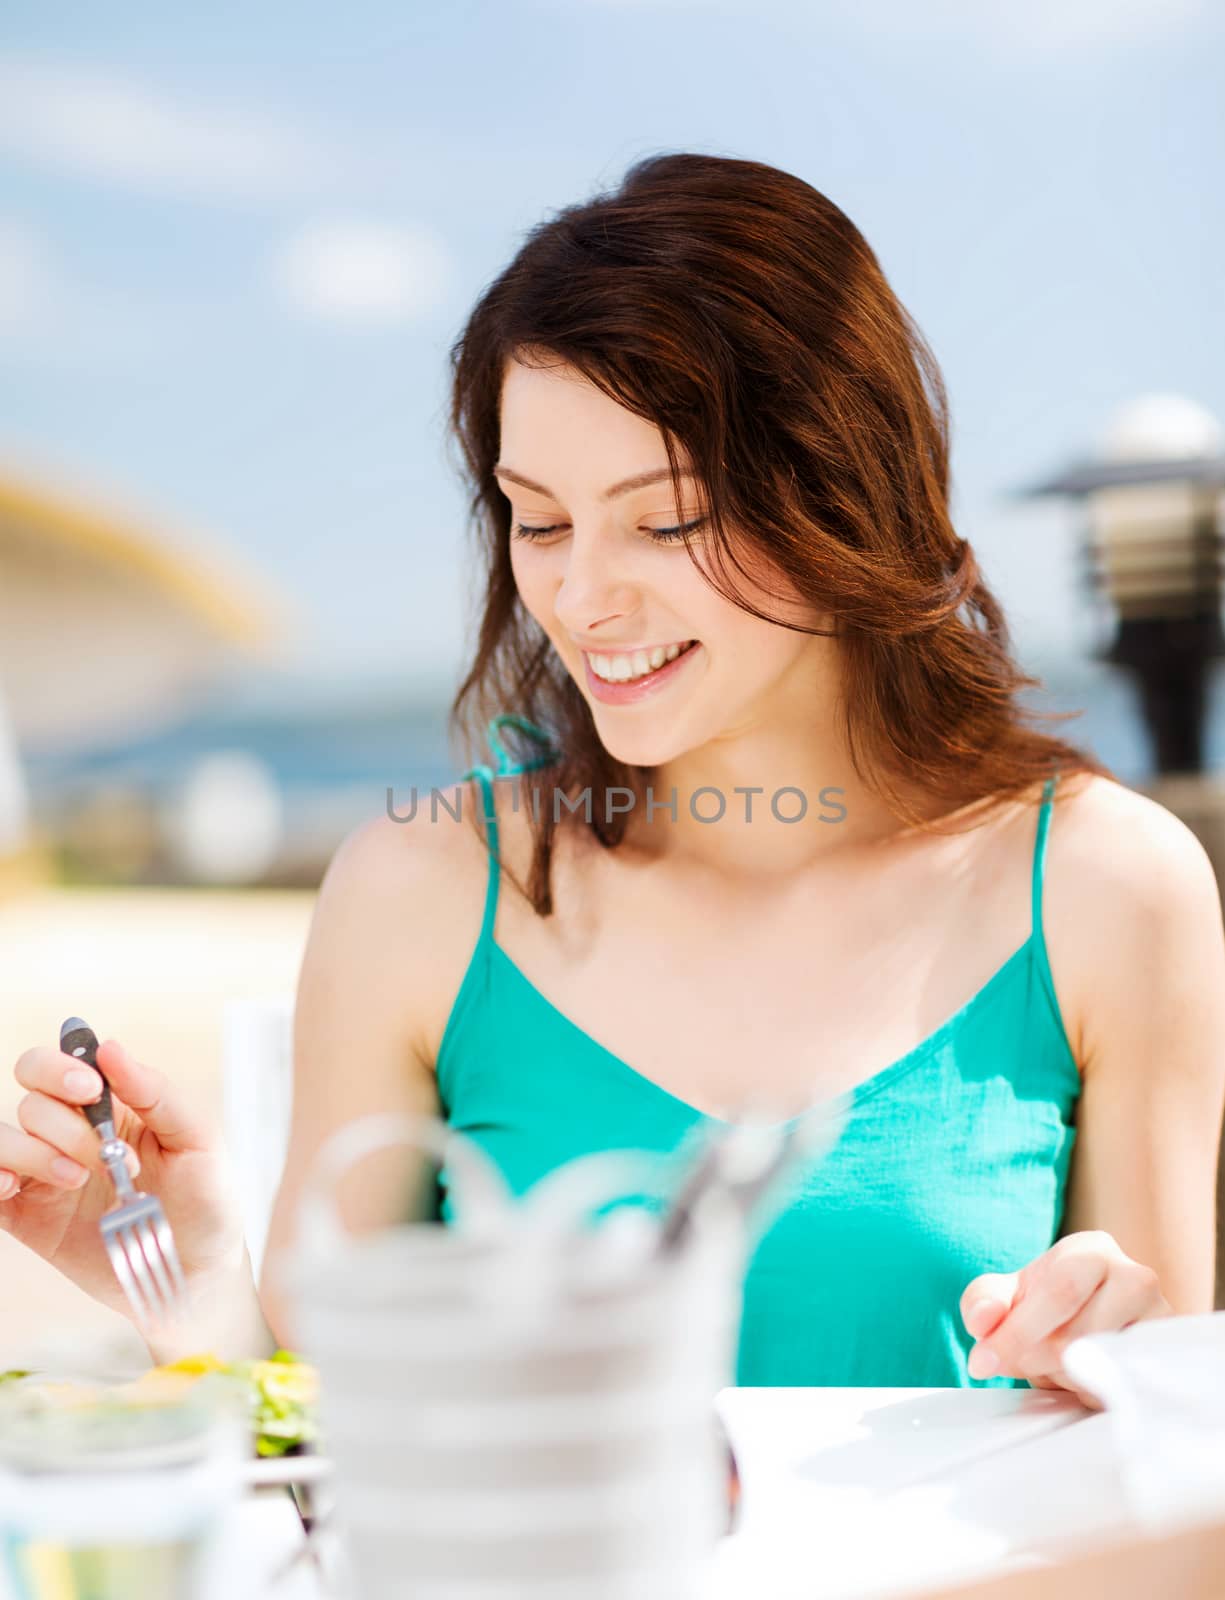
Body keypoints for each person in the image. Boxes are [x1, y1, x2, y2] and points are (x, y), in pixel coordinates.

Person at [3, 154, 1223, 1398]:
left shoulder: (1106, 888)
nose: (581, 598)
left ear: (842, 487)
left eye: (668, 517)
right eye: (539, 519)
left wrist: (1122, 1352)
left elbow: (1166, 1477)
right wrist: (189, 1286)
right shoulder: (417, 893)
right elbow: (323, 1453)